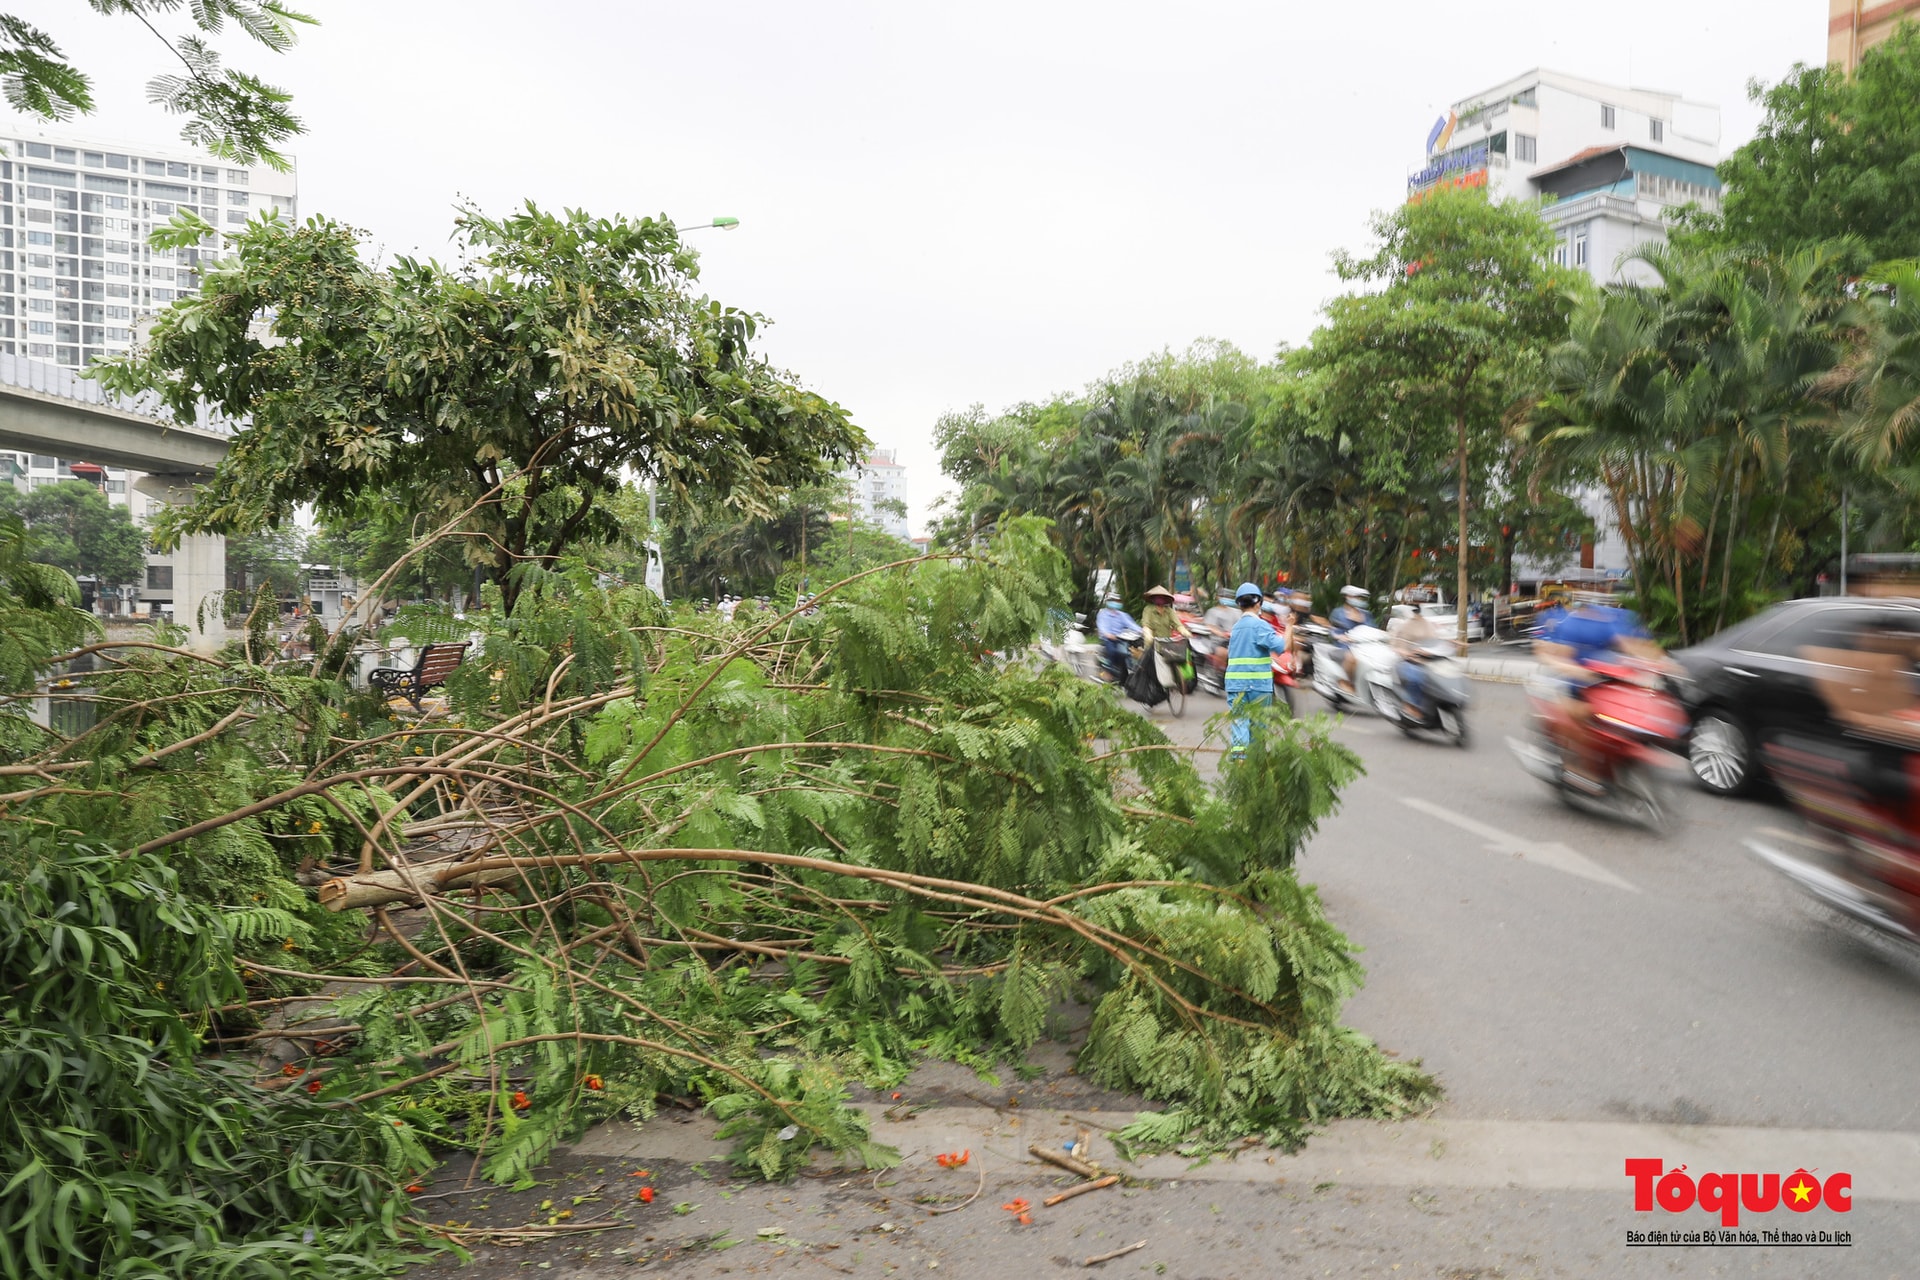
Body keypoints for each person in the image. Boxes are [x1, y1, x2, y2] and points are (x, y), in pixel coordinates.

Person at [1533, 592, 1669, 778]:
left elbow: (1635, 646)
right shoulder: (1567, 623)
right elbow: (1552, 654)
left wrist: (1663, 664)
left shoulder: (1617, 620)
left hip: (1605, 685)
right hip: (1577, 684)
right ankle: (1578, 766)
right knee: (1581, 719)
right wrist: (1574, 669)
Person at [1225, 582, 1289, 758]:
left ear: (1239, 604)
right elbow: (1281, 647)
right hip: (1257, 686)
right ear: (1259, 603)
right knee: (1258, 728)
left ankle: (1240, 765)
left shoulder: (1236, 627)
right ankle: (1256, 766)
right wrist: (1290, 627)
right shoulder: (1260, 626)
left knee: (1239, 724)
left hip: (1235, 685)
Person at [1329, 585, 1374, 692]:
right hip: (1344, 646)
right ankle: (1347, 681)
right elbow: (1332, 630)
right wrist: (1339, 636)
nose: (1359, 600)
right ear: (1348, 597)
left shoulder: (1366, 615)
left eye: (1360, 598)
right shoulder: (1338, 613)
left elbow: (1373, 630)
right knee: (1351, 658)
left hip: (1364, 646)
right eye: (1357, 597)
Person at [1095, 592, 1138, 683]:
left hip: (1121, 639)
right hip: (1107, 639)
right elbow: (1102, 626)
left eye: (1118, 601)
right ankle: (1108, 672)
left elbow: (1131, 625)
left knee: (1129, 654)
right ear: (1108, 602)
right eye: (1114, 601)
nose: (1116, 603)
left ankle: (1125, 673)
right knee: (1113, 652)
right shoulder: (1102, 614)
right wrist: (1108, 634)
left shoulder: (1122, 615)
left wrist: (1142, 631)